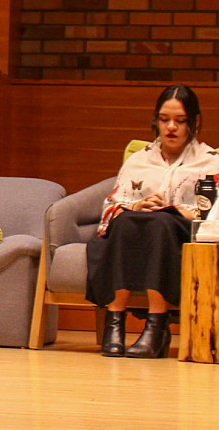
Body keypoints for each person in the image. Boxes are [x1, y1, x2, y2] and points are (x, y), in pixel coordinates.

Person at [87, 84, 219, 358]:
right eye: (164, 119)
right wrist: (136, 205)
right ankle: (115, 319)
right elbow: (110, 207)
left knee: (160, 222)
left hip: (182, 234)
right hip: (134, 232)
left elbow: (213, 215)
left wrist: (172, 209)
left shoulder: (210, 162)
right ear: (155, 121)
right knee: (126, 220)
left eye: (180, 120)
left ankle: (156, 324)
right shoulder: (138, 160)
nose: (171, 127)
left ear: (194, 122)